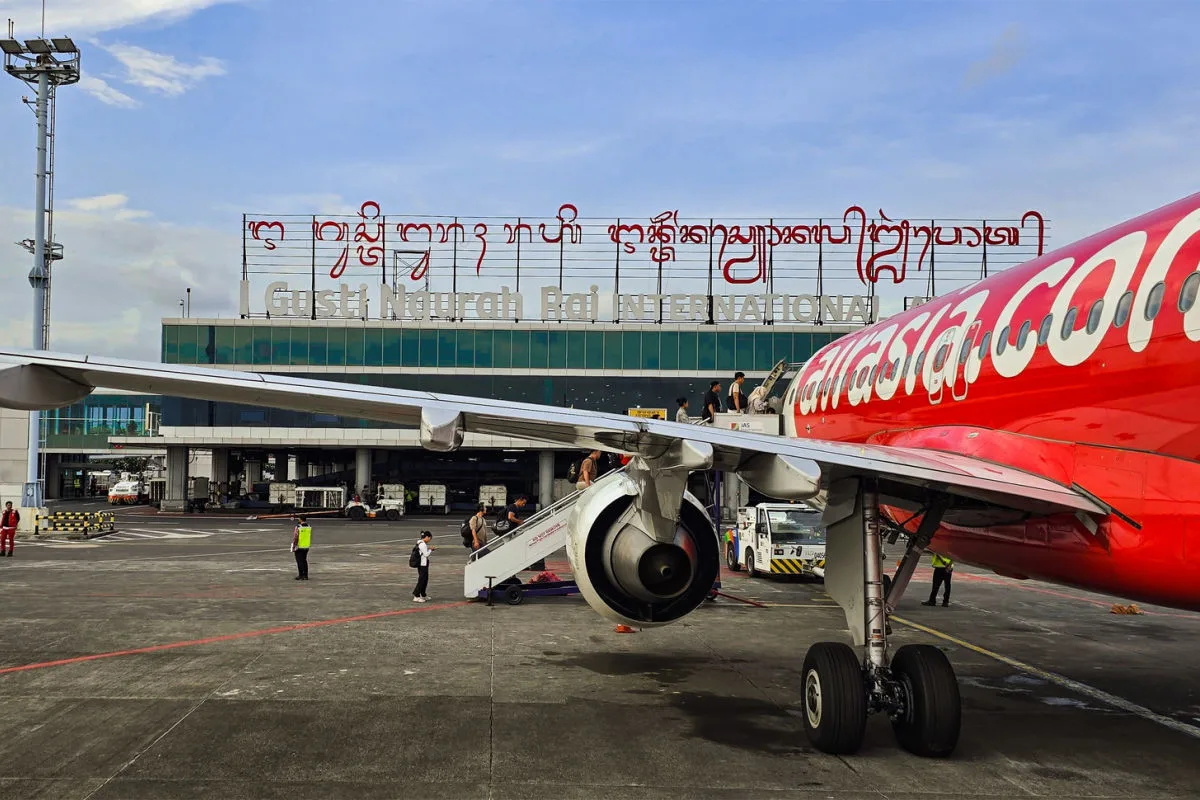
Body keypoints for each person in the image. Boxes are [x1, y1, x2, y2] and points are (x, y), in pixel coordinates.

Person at [413, 530, 434, 602]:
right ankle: (416, 595)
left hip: (423, 564)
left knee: (425, 580)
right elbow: (426, 554)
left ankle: (423, 594)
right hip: (422, 564)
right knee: (421, 580)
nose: (429, 540)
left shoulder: (420, 543)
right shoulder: (423, 544)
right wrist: (430, 550)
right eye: (430, 538)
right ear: (427, 537)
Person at [291, 515, 312, 580]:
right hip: (306, 545)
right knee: (304, 560)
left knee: (299, 561)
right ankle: (305, 575)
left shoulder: (298, 527)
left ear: (300, 519)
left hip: (299, 546)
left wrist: (294, 545)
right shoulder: (309, 526)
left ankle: (301, 575)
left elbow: (295, 537)